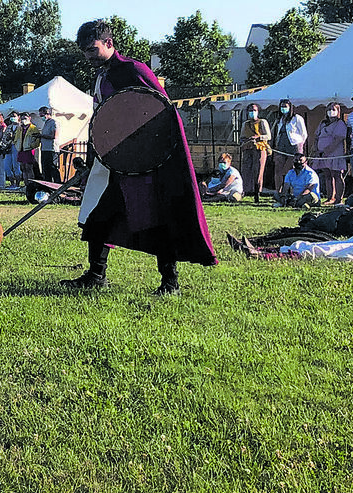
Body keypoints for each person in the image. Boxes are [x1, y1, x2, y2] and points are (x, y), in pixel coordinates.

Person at [65, 19, 216, 294]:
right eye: (85, 51)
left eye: (92, 49)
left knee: (155, 217)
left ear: (109, 43)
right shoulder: (103, 75)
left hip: (145, 163)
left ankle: (170, 282)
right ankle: (96, 276)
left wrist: (147, 153)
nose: (88, 57)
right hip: (117, 163)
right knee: (98, 217)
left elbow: (160, 111)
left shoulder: (133, 70)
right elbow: (105, 121)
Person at [312, 103, 349, 204]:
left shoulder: (340, 123)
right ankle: (330, 197)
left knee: (336, 174)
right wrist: (316, 149)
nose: (330, 111)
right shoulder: (323, 123)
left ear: (338, 111)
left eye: (333, 109)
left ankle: (338, 198)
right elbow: (316, 136)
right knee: (327, 175)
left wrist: (327, 150)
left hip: (334, 153)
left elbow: (338, 139)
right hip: (321, 154)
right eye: (328, 109)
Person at [272, 100, 307, 198]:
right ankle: (278, 191)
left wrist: (299, 144)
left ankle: (291, 191)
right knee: (278, 168)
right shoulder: (279, 119)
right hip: (281, 145)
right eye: (282, 106)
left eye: (285, 106)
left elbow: (304, 133)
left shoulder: (297, 118)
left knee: (291, 168)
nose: (283, 108)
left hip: (293, 145)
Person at [239, 104, 270, 202]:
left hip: (260, 148)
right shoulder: (245, 124)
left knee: (258, 171)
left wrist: (257, 138)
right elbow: (241, 137)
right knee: (246, 170)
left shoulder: (262, 122)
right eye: (250, 110)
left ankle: (257, 192)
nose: (252, 112)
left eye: (254, 110)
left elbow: (268, 136)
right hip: (248, 148)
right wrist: (246, 140)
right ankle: (246, 190)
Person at [37, 107, 59, 182]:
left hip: (51, 149)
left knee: (52, 168)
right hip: (44, 149)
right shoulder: (46, 123)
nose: (41, 117)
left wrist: (41, 136)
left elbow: (54, 136)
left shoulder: (53, 122)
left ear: (47, 113)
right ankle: (47, 184)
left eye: (42, 115)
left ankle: (57, 184)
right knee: (45, 169)